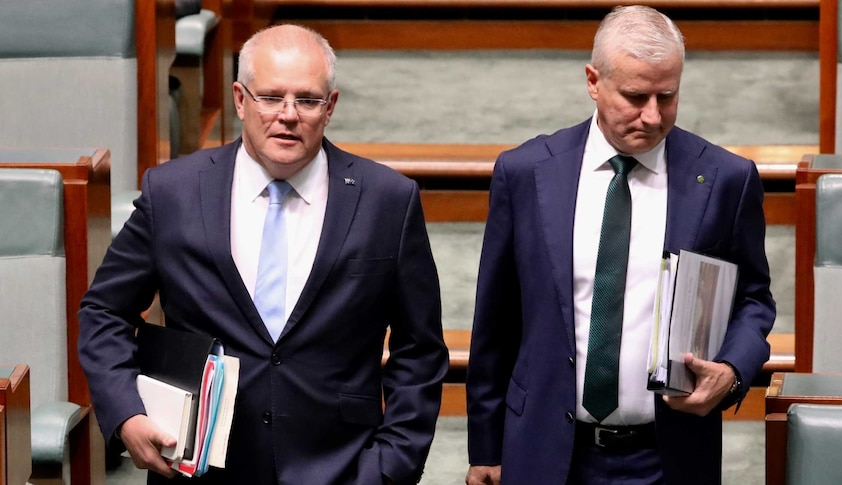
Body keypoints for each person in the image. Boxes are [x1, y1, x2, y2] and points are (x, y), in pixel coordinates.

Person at [78, 24, 448, 485]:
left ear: (329, 107)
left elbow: (421, 351)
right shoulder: (172, 193)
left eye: (307, 100)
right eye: (271, 97)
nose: (288, 115)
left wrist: (390, 466)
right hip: (202, 470)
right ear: (240, 99)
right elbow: (103, 312)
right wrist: (127, 414)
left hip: (344, 469)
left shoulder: (387, 201)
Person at [464, 6, 775, 485]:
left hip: (668, 455)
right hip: (546, 452)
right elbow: (496, 321)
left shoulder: (725, 180)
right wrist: (485, 447)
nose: (652, 115)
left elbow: (754, 299)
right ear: (593, 81)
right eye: (635, 96)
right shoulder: (526, 173)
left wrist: (733, 369)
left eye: (666, 96)